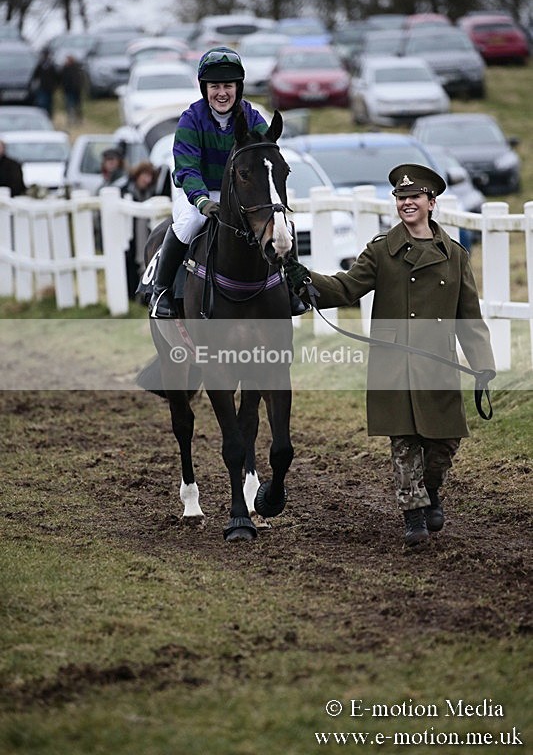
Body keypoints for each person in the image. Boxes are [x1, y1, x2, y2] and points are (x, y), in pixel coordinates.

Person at [286, 164, 496, 550]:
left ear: (431, 203)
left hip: (438, 363)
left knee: (445, 441)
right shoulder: (383, 251)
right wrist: (304, 277)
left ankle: (431, 491)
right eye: (401, 198)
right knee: (405, 442)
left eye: (414, 197)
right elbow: (347, 288)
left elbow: (469, 315)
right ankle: (413, 514)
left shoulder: (454, 255)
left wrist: (483, 365)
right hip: (394, 363)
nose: (407, 203)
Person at [148, 46, 306, 318]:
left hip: (241, 193)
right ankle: (161, 291)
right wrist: (202, 201)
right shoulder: (191, 120)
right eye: (215, 86)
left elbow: (263, 160)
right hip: (198, 192)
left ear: (238, 88)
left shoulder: (253, 117)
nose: (222, 92)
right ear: (204, 88)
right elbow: (187, 168)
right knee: (188, 224)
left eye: (228, 86)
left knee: (284, 226)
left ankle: (292, 288)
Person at [123, 160, 160, 299]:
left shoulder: (152, 193)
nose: (147, 179)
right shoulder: (127, 192)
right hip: (132, 238)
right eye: (144, 175)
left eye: (150, 176)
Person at [30, 47, 58, 119]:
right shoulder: (40, 65)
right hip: (42, 88)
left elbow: (56, 76)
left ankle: (49, 117)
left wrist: (55, 86)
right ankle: (42, 117)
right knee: (42, 103)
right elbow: (35, 75)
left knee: (49, 104)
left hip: (50, 88)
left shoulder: (52, 65)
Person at [61, 54, 85, 125]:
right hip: (68, 90)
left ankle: (79, 120)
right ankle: (71, 120)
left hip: (76, 91)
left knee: (77, 106)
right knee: (69, 105)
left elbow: (80, 79)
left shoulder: (76, 68)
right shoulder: (65, 68)